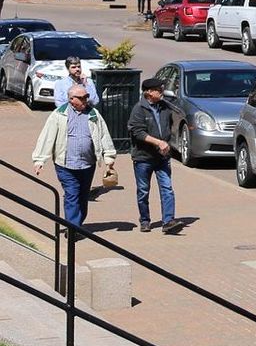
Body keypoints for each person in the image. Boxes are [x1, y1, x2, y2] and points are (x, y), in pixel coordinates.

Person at [30, 84, 118, 227]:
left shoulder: (93, 114)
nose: (85, 100)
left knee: (83, 196)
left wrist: (109, 158)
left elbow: (104, 136)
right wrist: (40, 160)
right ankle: (73, 228)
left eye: (86, 97)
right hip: (65, 165)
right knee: (72, 195)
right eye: (81, 98)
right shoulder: (59, 114)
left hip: (87, 165)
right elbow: (47, 137)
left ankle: (77, 224)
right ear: (71, 99)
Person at [127, 77, 179, 233]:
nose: (162, 92)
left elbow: (168, 127)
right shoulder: (139, 109)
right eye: (159, 89)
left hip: (162, 157)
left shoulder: (164, 107)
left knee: (167, 188)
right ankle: (144, 220)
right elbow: (138, 133)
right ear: (149, 92)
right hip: (143, 158)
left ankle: (168, 221)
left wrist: (167, 144)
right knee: (143, 190)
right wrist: (158, 143)